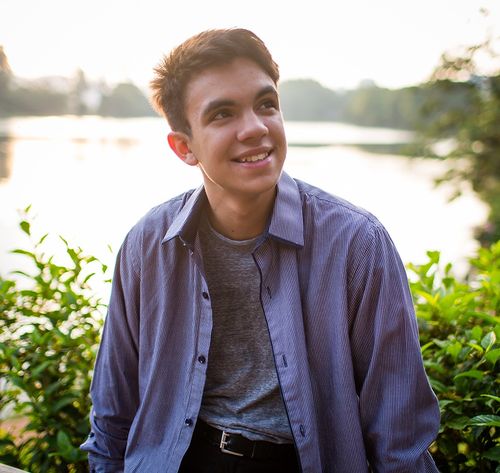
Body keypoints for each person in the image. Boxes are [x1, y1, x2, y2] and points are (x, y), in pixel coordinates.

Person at [80, 28, 441, 473]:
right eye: (222, 114)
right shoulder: (147, 245)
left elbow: (400, 437)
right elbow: (113, 414)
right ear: (184, 147)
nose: (255, 128)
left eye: (266, 104)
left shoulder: (356, 244)